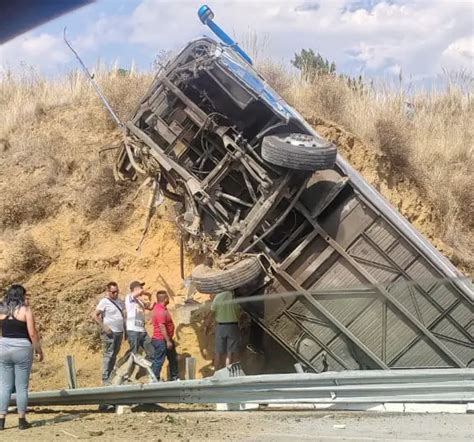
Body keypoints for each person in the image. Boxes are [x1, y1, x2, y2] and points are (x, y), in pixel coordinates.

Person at [0, 284, 44, 431]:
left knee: (4, 386)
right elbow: (32, 333)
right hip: (22, 348)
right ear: (21, 295)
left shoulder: (1, 310)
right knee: (21, 386)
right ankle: (21, 420)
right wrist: (38, 350)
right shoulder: (25, 311)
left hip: (4, 346)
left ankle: (1, 420)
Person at [93, 282, 125, 384]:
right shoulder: (104, 302)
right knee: (109, 354)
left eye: (117, 291)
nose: (115, 294)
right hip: (110, 333)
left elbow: (123, 316)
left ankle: (110, 375)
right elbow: (94, 315)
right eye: (113, 292)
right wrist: (105, 327)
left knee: (114, 354)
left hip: (119, 332)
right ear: (108, 291)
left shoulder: (119, 301)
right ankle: (105, 377)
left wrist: (125, 330)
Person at [207, 290, 241, 370]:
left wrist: (207, 325)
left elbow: (212, 312)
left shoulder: (218, 297)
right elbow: (239, 313)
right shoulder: (235, 298)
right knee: (230, 353)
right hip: (233, 326)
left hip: (221, 326)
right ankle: (227, 374)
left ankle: (216, 372)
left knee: (218, 352)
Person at [151, 290, 178, 381]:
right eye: (168, 297)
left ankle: (174, 377)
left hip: (165, 339)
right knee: (159, 360)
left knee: (173, 358)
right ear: (165, 299)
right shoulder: (160, 311)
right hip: (161, 340)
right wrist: (168, 341)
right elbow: (162, 326)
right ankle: (154, 378)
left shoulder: (162, 309)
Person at [125, 281, 153, 357]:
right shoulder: (129, 297)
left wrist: (150, 298)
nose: (142, 288)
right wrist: (147, 293)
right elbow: (141, 291)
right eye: (141, 287)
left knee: (152, 354)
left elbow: (150, 307)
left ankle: (148, 368)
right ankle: (121, 366)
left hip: (142, 331)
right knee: (133, 355)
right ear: (136, 288)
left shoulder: (140, 301)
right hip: (133, 330)